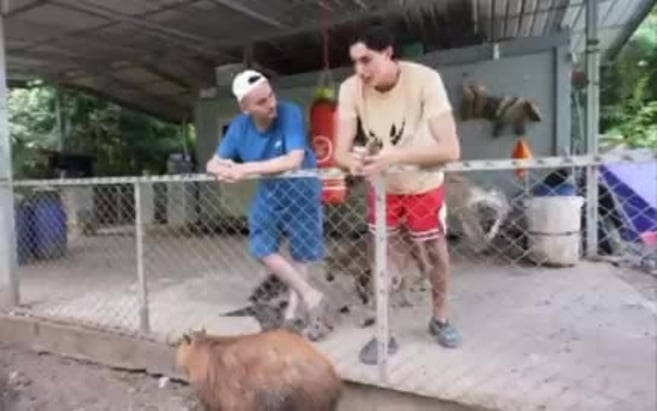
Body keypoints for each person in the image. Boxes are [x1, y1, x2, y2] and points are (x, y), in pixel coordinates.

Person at [333, 25, 462, 364]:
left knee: (434, 251)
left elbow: (450, 148)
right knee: (386, 256)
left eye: (367, 60)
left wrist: (394, 157)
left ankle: (440, 318)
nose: (360, 70)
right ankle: (384, 332)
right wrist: (356, 162)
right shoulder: (350, 88)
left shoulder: (425, 80)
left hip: (423, 184)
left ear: (388, 53)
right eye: (354, 62)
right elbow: (340, 153)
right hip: (383, 188)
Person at [206, 69, 332, 341]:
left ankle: (292, 316)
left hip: (301, 187)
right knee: (261, 247)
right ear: (245, 107)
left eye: (270, 95)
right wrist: (224, 170)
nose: (271, 103)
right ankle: (310, 294)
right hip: (270, 190)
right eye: (261, 102)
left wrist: (244, 169)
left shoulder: (289, 113)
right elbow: (212, 163)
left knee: (301, 254)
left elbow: (293, 160)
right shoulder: (240, 127)